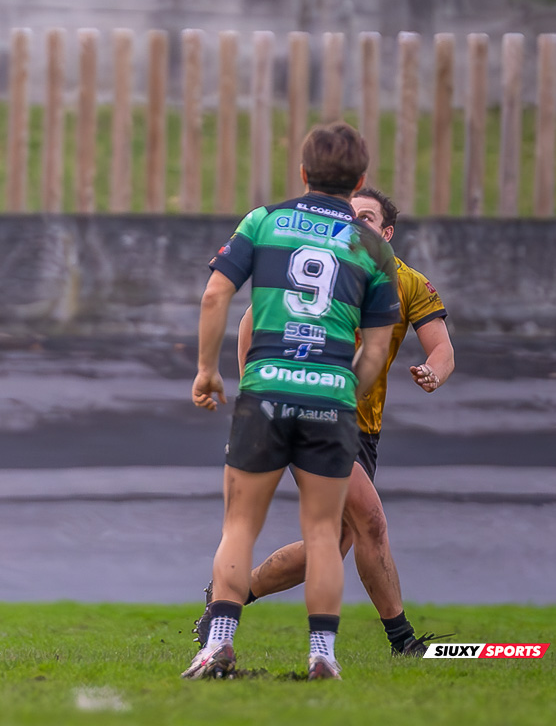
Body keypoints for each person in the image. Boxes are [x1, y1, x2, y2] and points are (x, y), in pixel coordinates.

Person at [182, 123, 401, 681]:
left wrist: (208, 370)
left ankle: (218, 646)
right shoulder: (373, 246)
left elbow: (215, 293)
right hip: (329, 396)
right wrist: (344, 387)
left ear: (303, 174)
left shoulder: (264, 221)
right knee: (326, 532)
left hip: (267, 390)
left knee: (239, 526)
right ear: (359, 180)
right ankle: (322, 654)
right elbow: (377, 344)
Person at [196, 186, 456, 656]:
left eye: (368, 219)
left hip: (364, 428)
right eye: (351, 214)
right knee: (371, 521)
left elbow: (442, 347)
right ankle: (403, 642)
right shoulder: (323, 261)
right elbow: (251, 320)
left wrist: (433, 371)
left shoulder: (406, 281)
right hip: (316, 410)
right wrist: (251, 387)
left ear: (387, 232)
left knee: (337, 541)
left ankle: (227, 599)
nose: (356, 225)